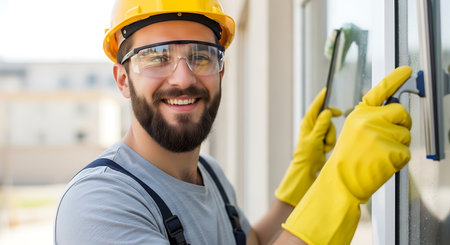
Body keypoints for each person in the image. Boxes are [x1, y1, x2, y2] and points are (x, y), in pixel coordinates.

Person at [54, 0, 413, 244]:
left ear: (221, 70)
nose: (182, 78)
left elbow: (252, 242)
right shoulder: (98, 204)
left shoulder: (209, 174)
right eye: (157, 57)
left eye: (201, 56)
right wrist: (339, 188)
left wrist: (302, 179)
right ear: (122, 79)